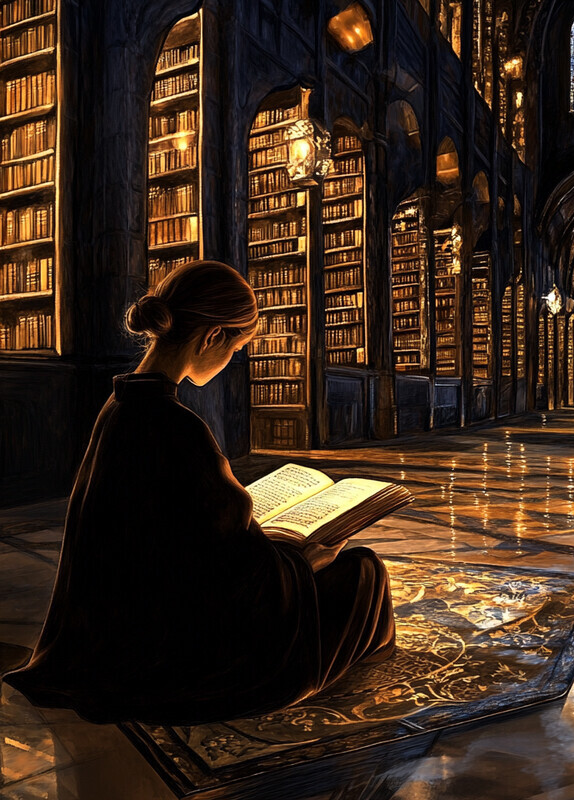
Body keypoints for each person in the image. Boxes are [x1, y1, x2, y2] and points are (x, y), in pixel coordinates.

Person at [3, 260, 395, 725]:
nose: (231, 360)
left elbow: (184, 545)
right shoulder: (174, 426)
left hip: (129, 629)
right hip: (185, 651)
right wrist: (299, 558)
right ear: (211, 338)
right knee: (362, 572)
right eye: (236, 347)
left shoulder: (121, 406)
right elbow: (224, 577)